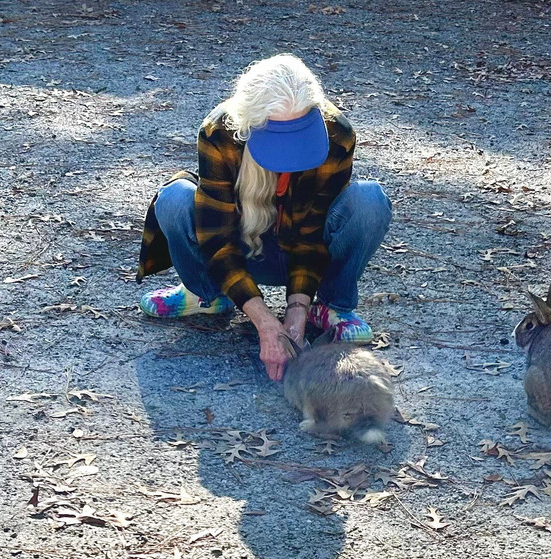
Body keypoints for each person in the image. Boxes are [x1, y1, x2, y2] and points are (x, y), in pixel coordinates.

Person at [137, 54, 392, 382]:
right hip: (240, 249)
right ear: (249, 124)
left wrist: (297, 311)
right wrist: (265, 321)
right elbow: (216, 237)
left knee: (369, 200)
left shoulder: (336, 133)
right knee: (174, 199)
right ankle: (207, 295)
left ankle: (330, 307)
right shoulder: (219, 131)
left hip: (297, 253)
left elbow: (313, 233)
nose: (290, 160)